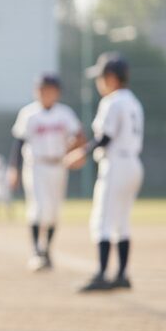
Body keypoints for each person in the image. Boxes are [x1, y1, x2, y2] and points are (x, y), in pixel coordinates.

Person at [66, 52, 144, 292]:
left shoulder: (112, 101)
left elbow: (105, 137)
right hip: (133, 164)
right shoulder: (133, 101)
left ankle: (101, 274)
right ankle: (121, 274)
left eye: (101, 77)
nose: (99, 83)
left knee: (102, 221)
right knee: (121, 221)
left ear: (111, 78)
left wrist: (81, 153)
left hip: (116, 165)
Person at [9, 73, 83, 271]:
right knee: (38, 207)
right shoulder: (29, 113)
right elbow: (19, 142)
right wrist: (13, 168)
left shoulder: (65, 113)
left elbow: (78, 135)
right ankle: (36, 251)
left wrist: (77, 151)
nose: (43, 93)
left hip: (58, 165)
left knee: (53, 211)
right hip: (35, 165)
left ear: (56, 92)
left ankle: (46, 251)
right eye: (40, 89)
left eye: (47, 89)